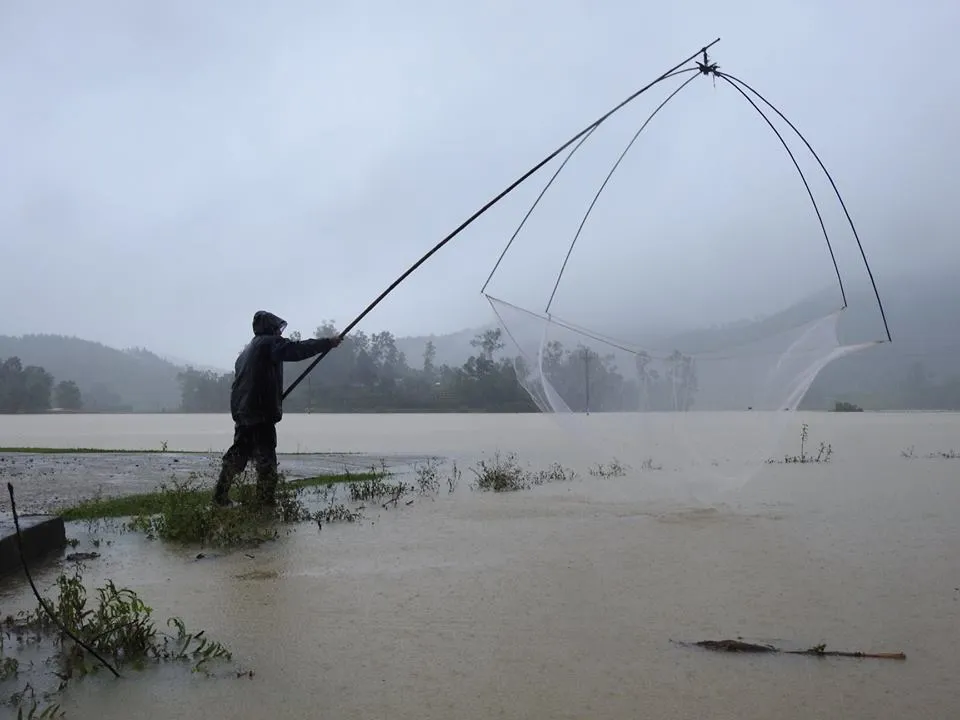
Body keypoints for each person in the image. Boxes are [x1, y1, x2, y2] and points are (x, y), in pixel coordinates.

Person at [213, 310, 342, 507]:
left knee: (238, 453)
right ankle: (265, 503)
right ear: (271, 328)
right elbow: (297, 349)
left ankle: (220, 497)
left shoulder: (247, 352)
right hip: (259, 413)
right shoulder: (269, 343)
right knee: (266, 459)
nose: (280, 333)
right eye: (277, 329)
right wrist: (327, 343)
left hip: (243, 412)